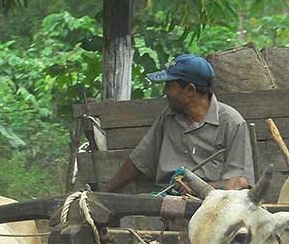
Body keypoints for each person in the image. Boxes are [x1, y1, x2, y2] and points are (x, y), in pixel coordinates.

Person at [103, 54, 255, 194]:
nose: (164, 91)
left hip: (212, 205)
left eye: (169, 85)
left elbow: (239, 183)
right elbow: (139, 161)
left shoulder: (232, 123)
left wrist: (196, 187)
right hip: (167, 197)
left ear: (190, 90)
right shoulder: (169, 115)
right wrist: (104, 193)